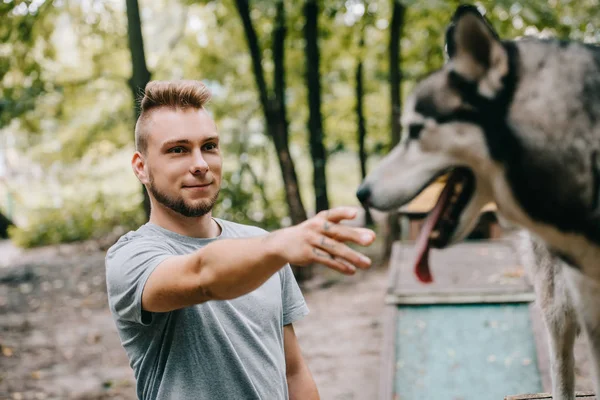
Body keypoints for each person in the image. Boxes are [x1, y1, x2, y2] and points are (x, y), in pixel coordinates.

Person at [105, 80, 376, 400]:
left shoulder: (260, 243)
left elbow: (293, 371)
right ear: (142, 167)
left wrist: (273, 246)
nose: (200, 164)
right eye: (178, 150)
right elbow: (203, 276)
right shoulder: (131, 258)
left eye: (209, 146)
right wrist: (277, 246)